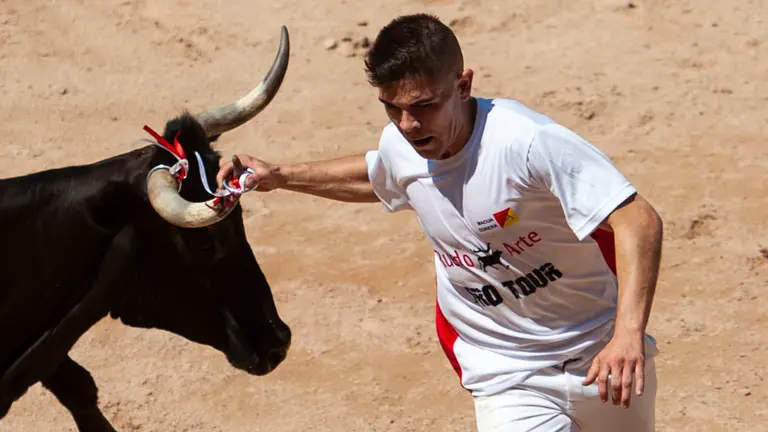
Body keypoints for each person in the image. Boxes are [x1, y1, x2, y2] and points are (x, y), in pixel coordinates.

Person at [216, 13, 663, 432]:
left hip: (600, 353)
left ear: (463, 85)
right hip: (505, 369)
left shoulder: (527, 143)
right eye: (392, 108)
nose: (408, 125)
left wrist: (627, 335)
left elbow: (637, 220)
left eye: (423, 105)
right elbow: (380, 176)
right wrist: (281, 176)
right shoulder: (401, 146)